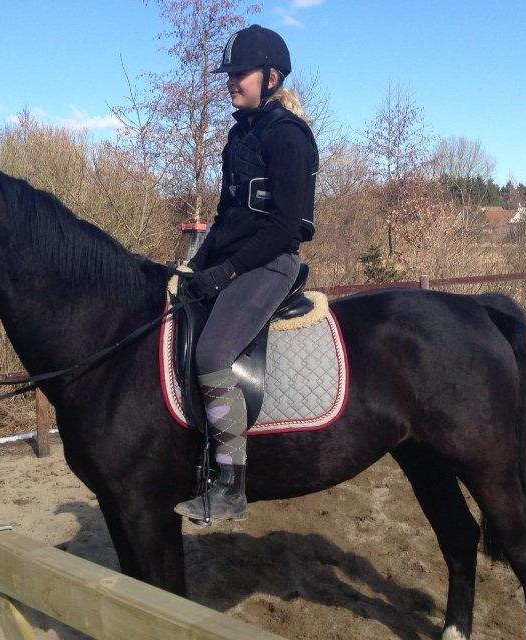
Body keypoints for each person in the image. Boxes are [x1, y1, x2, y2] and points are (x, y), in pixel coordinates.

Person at [174, 24, 318, 523]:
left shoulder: (288, 137)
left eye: (241, 73)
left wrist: (226, 274)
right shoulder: (239, 135)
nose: (231, 81)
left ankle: (231, 485)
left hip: (271, 262)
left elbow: (282, 227)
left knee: (213, 353)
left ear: (271, 78)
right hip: (234, 259)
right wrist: (196, 267)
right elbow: (225, 215)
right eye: (229, 73)